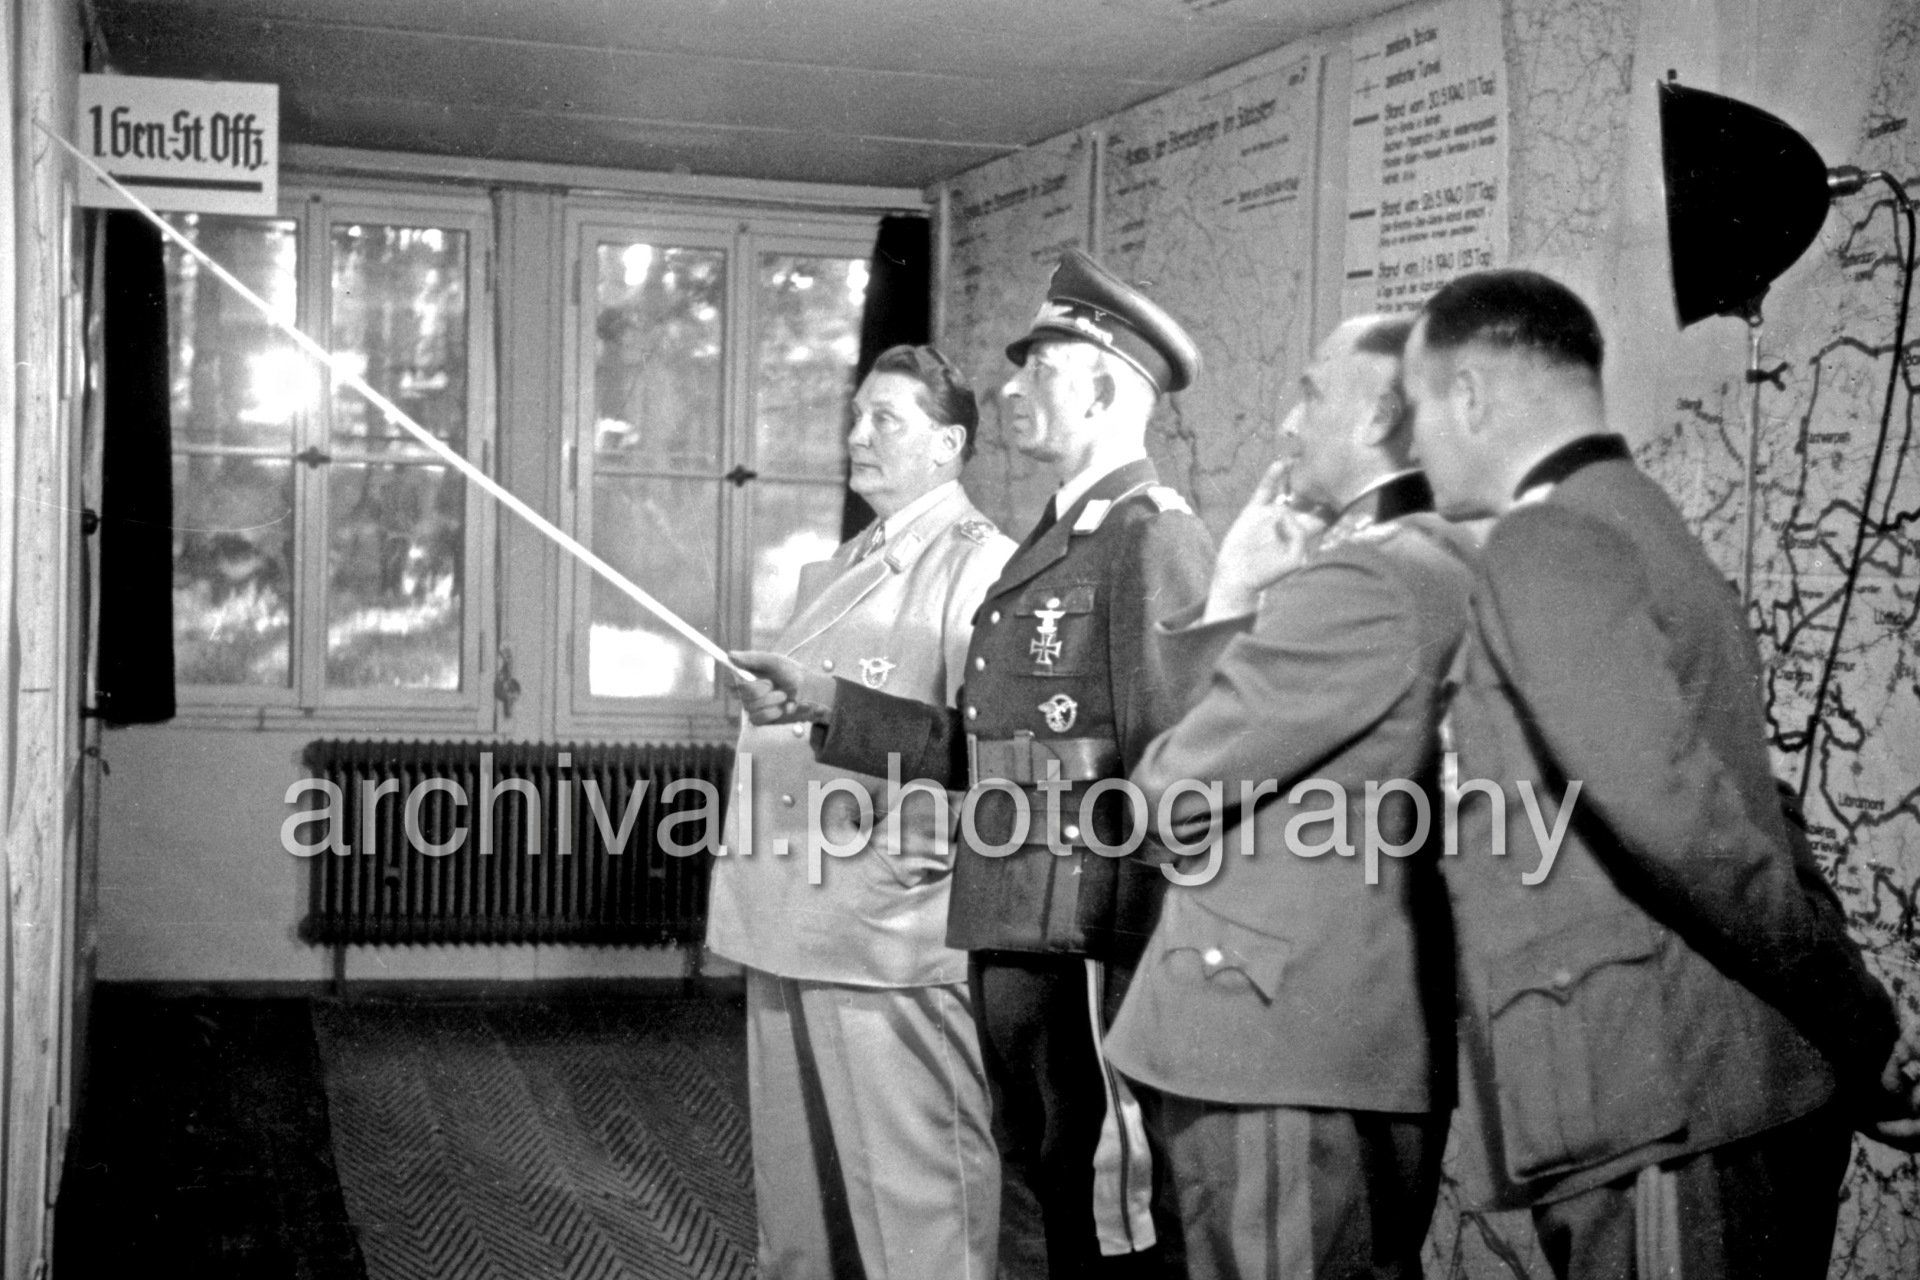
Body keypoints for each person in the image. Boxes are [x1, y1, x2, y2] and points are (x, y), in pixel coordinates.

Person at [1401, 269, 1918, 1279]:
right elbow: (1762, 809)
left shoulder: (1544, 539)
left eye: (1417, 405)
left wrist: (1860, 1027)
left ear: (1468, 396)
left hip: (1661, 1107)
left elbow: (1679, 821)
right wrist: (1851, 1024)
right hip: (1729, 1094)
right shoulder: (1646, 523)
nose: (1413, 443)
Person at [733, 249, 1216, 1277]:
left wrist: (1148, 967)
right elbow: (977, 749)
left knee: (1118, 1217)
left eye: (1038, 368)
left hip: (1092, 947)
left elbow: (1182, 771)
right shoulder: (1058, 541)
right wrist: (826, 704)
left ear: (1102, 384)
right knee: (1066, 1196)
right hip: (1021, 939)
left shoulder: (1148, 539)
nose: (1011, 388)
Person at [1103, 313, 1471, 1279]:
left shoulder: (1363, 579)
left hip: (1273, 1045)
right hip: (1328, 1035)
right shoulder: (1433, 559)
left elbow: (1164, 797)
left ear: (1382, 414)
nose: (1285, 424)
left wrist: (1233, 595)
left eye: (1310, 393)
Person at [707, 343, 1016, 1280]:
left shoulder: (983, 568)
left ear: (948, 444)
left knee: (918, 1219)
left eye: (885, 419)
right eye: (856, 416)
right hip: (789, 915)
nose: (857, 436)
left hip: (885, 934)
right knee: (802, 1220)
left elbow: (977, 749)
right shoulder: (847, 562)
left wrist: (817, 704)